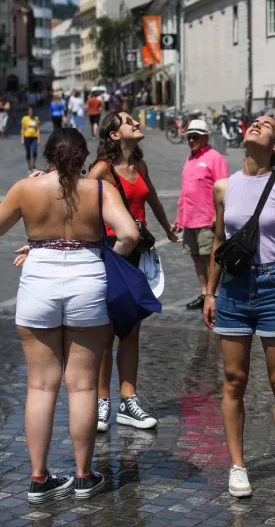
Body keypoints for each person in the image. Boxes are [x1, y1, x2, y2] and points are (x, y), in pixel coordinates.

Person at [0, 128, 139, 503]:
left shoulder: (26, 188)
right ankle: (82, 475)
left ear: (46, 155)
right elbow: (129, 235)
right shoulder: (98, 189)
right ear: (83, 157)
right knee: (82, 385)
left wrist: (36, 243)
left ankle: (39, 478)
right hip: (87, 279)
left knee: (40, 386)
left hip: (39, 280)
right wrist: (106, 256)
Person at [203, 115, 275, 499]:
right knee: (234, 380)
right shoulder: (223, 186)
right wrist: (210, 292)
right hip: (231, 289)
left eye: (267, 125)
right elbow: (218, 242)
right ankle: (238, 467)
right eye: (255, 122)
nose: (257, 124)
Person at [89, 111, 180, 433]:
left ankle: (128, 400)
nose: (136, 123)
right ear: (114, 135)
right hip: (112, 253)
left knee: (131, 330)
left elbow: (151, 196)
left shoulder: (139, 166)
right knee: (105, 331)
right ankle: (102, 401)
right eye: (129, 121)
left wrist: (168, 227)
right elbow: (84, 208)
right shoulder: (101, 170)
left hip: (137, 254)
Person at [172, 119, 229, 310]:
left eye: (195, 137)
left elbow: (225, 188)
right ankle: (204, 292)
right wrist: (179, 218)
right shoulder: (190, 159)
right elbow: (185, 191)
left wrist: (217, 214)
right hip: (189, 218)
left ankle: (217, 293)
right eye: (189, 137)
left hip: (207, 218)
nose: (191, 140)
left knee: (209, 257)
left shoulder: (215, 158)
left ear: (206, 137)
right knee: (195, 256)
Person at [21, 106, 41, 174]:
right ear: (27, 112)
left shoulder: (36, 118)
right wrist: (22, 140)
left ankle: (34, 165)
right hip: (27, 137)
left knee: (35, 151)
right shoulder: (24, 118)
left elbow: (38, 129)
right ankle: (29, 167)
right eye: (29, 111)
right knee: (28, 153)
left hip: (34, 137)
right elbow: (23, 129)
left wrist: (38, 139)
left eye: (31, 111)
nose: (30, 112)